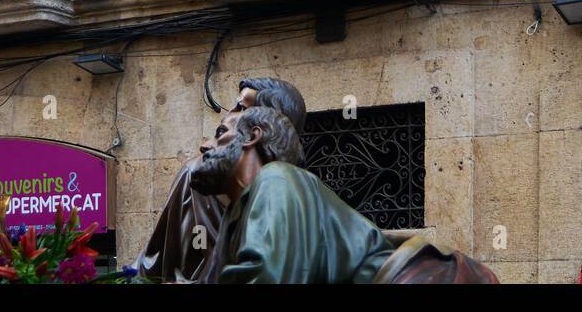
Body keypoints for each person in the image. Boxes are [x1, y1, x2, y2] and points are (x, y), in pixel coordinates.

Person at [192, 106, 396, 283]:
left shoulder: (276, 179)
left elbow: (269, 277)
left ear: (253, 136)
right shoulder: (234, 213)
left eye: (221, 133)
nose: (207, 145)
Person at [133, 77, 307, 282]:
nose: (230, 114)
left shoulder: (292, 196)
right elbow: (158, 258)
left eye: (241, 107)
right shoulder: (200, 175)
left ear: (262, 126)